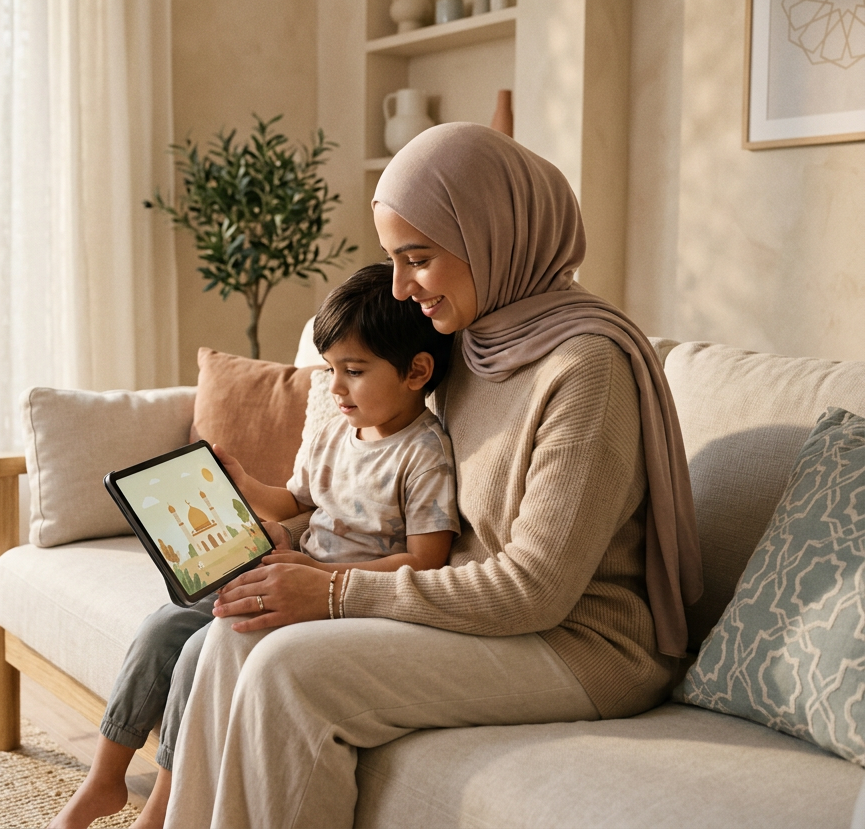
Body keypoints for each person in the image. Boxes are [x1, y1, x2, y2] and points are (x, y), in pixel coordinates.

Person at [162, 123, 705, 829]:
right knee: (237, 632)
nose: (400, 287)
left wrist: (334, 590)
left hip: (578, 642)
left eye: (418, 259)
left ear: (494, 236)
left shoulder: (586, 370)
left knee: (289, 669)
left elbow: (534, 591)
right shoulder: (471, 342)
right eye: (394, 259)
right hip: (473, 612)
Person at [49, 262, 460, 829]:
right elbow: (293, 501)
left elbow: (426, 561)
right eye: (331, 370)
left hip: (333, 600)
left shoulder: (424, 455)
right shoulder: (336, 433)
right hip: (287, 572)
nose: (336, 388)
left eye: (354, 371)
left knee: (200, 651)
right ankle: (103, 782)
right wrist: (243, 486)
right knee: (164, 625)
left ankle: (164, 806)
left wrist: (320, 577)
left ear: (416, 371)